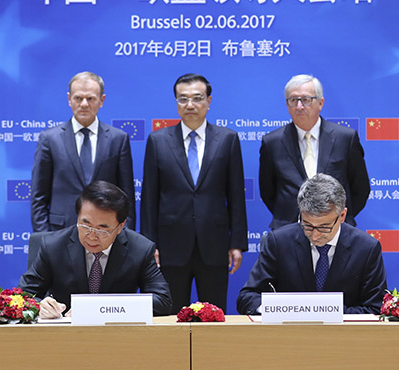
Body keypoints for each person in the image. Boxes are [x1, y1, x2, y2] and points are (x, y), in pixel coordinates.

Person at [141, 73, 247, 314]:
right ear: (176, 102)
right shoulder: (158, 140)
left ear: (209, 101)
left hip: (214, 245)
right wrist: (149, 245)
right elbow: (149, 198)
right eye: (183, 98)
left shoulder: (228, 139)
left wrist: (237, 243)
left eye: (197, 98)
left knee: (215, 315)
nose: (190, 104)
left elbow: (236, 196)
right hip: (170, 247)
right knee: (170, 316)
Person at [237, 173, 387, 315]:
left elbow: (375, 307)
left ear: (342, 216)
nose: (315, 235)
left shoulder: (366, 248)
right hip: (289, 331)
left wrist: (323, 312)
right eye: (307, 225)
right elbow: (248, 297)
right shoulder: (278, 242)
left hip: (344, 333)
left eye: (324, 227)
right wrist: (281, 310)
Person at [20, 180, 172, 318]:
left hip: (116, 334)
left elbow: (163, 301)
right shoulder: (53, 246)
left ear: (120, 226)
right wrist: (39, 306)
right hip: (65, 333)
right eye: (85, 225)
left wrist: (99, 307)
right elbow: (21, 296)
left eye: (102, 230)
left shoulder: (140, 249)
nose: (92, 236)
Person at [259, 74, 370, 229]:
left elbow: (360, 189)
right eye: (293, 100)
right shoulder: (272, 142)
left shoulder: (345, 138)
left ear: (320, 103)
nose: (299, 106)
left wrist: (334, 219)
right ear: (287, 105)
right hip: (288, 230)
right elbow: (268, 192)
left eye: (306, 99)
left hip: (335, 229)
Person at [31, 72, 136, 232]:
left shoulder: (118, 139)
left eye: (91, 98)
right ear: (69, 99)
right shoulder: (50, 139)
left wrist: (123, 237)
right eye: (78, 98)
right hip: (60, 232)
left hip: (105, 233)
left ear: (102, 100)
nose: (84, 104)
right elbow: (39, 196)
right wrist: (44, 239)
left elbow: (127, 197)